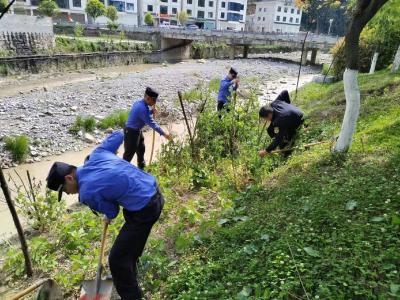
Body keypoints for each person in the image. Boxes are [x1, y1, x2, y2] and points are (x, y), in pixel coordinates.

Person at [46, 131, 164, 300]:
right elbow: (117, 135)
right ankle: (132, 269)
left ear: (69, 178)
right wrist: (108, 156)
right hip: (154, 190)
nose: (67, 193)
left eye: (64, 190)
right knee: (129, 245)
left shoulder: (86, 193)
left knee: (116, 260)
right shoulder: (97, 154)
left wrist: (106, 214)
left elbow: (113, 211)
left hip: (145, 208)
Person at [124, 87, 172, 169]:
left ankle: (141, 169)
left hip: (137, 131)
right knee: (128, 155)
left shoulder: (141, 103)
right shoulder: (142, 108)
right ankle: (121, 174)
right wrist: (164, 134)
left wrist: (151, 111)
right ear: (147, 98)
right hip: (131, 133)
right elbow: (153, 124)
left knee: (141, 150)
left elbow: (143, 115)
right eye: (154, 100)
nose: (155, 102)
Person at [258, 90, 304, 158]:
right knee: (269, 130)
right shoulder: (274, 103)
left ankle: (285, 147)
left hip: (298, 119)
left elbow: (278, 139)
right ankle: (279, 143)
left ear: (269, 114)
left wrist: (266, 151)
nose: (266, 120)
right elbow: (284, 92)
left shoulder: (278, 121)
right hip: (293, 113)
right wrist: (288, 106)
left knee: (282, 137)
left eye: (265, 119)